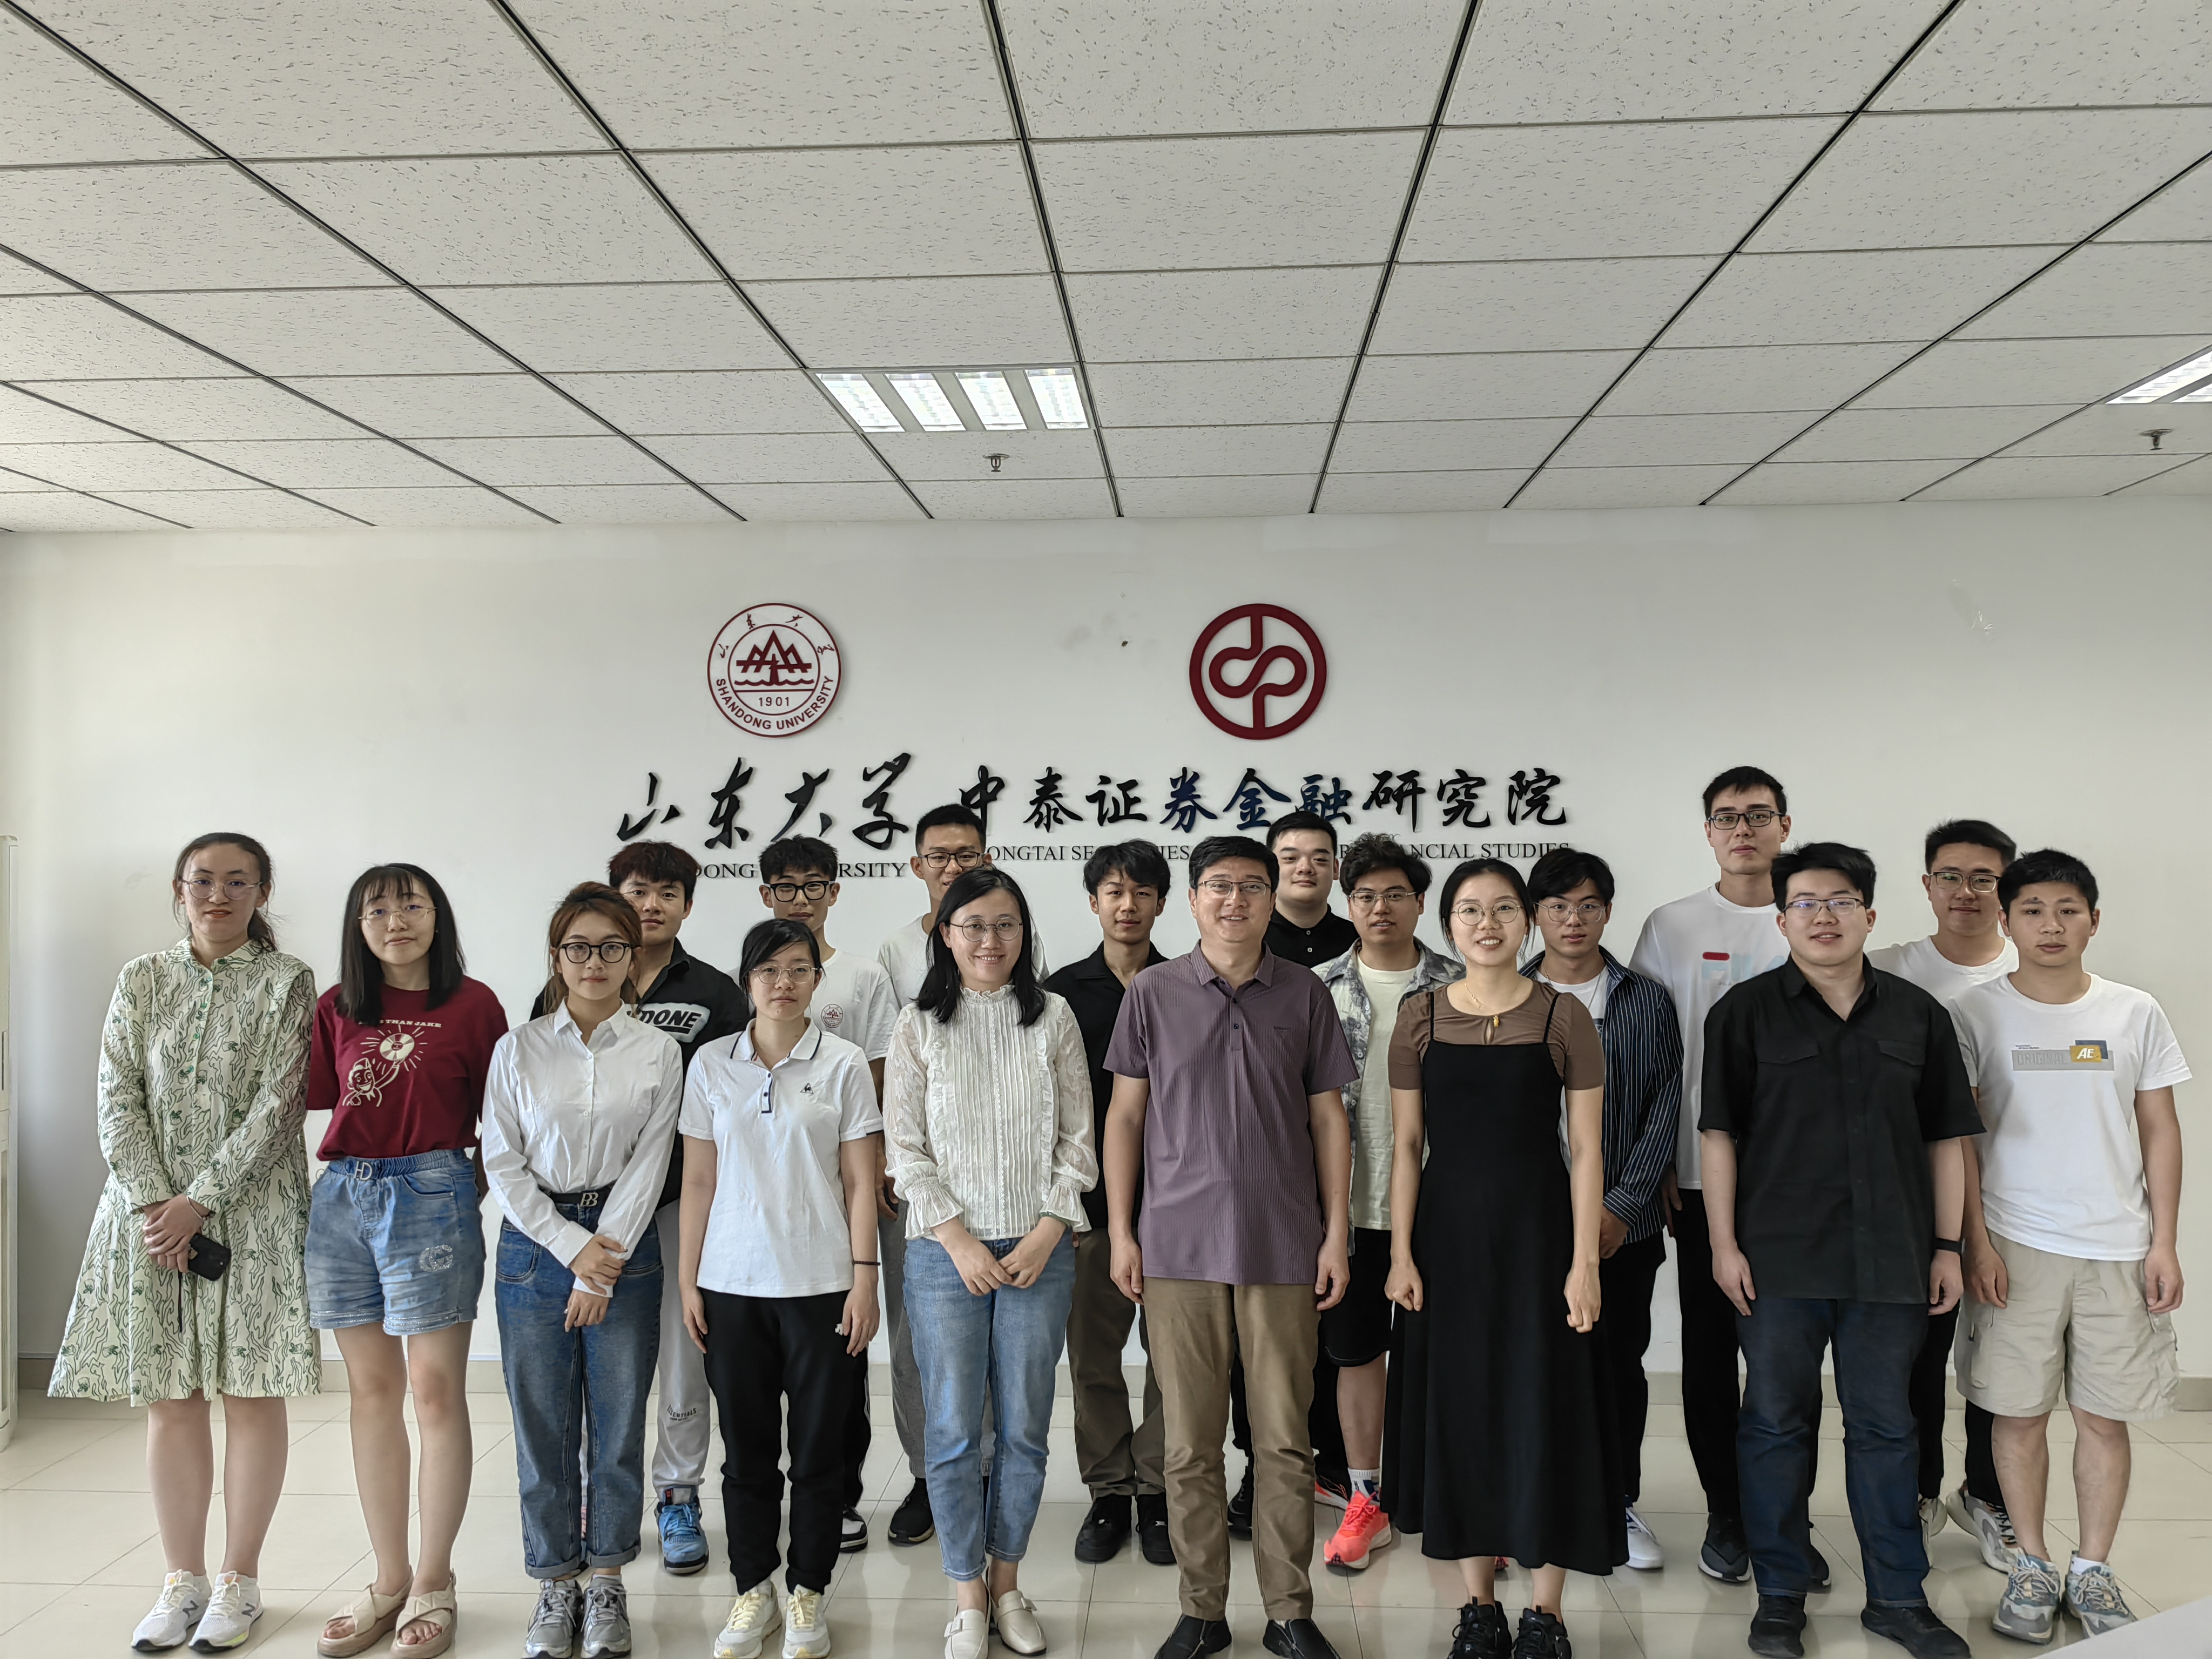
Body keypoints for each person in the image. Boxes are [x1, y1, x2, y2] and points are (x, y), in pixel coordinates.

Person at [1702, 844, 1981, 1659]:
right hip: (1778, 1260)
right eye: (1805, 903)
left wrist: (1948, 1246)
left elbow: (1947, 1139)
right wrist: (1723, 1245)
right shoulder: (1744, 1014)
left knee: (1887, 1427)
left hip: (1891, 1258)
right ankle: (1780, 1595)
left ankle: (1897, 1598)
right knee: (1775, 1424)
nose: (1823, 916)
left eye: (1840, 901)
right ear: (1781, 919)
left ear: (1869, 914)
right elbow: (1718, 1135)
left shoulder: (1919, 1015)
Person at [51, 833, 316, 1656]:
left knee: (252, 1392)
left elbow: (281, 1104)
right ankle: (181, 1580)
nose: (218, 895)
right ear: (179, 889)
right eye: (203, 880)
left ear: (263, 893)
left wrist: (199, 1202)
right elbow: (115, 1096)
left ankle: (240, 1580)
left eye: (238, 881)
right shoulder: (141, 978)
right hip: (149, 1219)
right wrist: (157, 1205)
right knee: (172, 1398)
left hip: (252, 1215)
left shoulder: (288, 981)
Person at [1104, 834, 1357, 1659]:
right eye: (1219, 885)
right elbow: (1126, 1118)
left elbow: (1329, 1119)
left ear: (1272, 897)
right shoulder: (1153, 992)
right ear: (1192, 899)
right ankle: (1202, 1610)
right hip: (1176, 1246)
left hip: (1283, 1243)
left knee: (1283, 1439)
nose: (1236, 900)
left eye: (1252, 886)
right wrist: (1122, 1231)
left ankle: (1289, 1610)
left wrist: (1336, 1235)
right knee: (1189, 1445)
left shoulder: (1305, 995)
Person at [1382, 858, 1621, 1659]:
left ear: (1527, 921)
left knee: (1544, 1407)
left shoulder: (1564, 1017)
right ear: (1448, 923)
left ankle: (1545, 1615)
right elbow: (1407, 1146)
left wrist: (1584, 1263)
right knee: (1463, 1411)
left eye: (1503, 910)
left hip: (1541, 1241)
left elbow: (1586, 1150)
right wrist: (1402, 1254)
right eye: (1470, 911)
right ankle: (1478, 1608)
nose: (1487, 924)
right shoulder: (1419, 1016)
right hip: (1447, 1245)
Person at [1951, 851, 2188, 1644]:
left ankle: (2092, 1569)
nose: (2050, 926)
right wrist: (1977, 1242)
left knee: (2104, 1418)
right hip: (2015, 1243)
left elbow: (2159, 1127)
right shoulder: (1975, 1013)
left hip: (2118, 1246)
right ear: (2007, 920)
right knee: (2017, 1416)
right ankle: (2032, 1564)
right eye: (2032, 911)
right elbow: (1963, 1140)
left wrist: (2164, 1240)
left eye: (2067, 910)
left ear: (2093, 920)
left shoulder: (2133, 1011)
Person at [885, 867, 1095, 1659]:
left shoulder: (1055, 1017)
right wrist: (958, 1239)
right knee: (950, 1431)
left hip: (1041, 1250)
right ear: (946, 935)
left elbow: (1079, 1139)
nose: (989, 940)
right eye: (972, 925)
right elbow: (905, 1150)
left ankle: (1007, 1583)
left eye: (1005, 925)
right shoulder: (917, 1026)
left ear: (1024, 934)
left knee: (1026, 1428)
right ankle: (966, 1594)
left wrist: (1048, 1229)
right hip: (945, 1255)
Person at [306, 864, 508, 1659]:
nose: (396, 920)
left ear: (437, 917)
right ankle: (388, 1579)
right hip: (342, 1198)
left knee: (434, 1389)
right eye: (378, 909)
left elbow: (502, 1115)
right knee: (370, 1392)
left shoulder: (474, 1004)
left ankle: (433, 1578)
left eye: (412, 905)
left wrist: (460, 1189)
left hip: (433, 1191)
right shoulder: (338, 1006)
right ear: (359, 927)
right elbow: (321, 1100)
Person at [531, 841, 744, 1579]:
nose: (652, 905)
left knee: (684, 1353)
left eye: (667, 893)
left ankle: (677, 1494)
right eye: (637, 891)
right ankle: (596, 1501)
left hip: (679, 1202)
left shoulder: (716, 992)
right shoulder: (561, 988)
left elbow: (729, 1101)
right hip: (579, 1216)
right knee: (593, 1360)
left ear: (687, 905)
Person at [482, 884, 683, 1659]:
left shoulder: (659, 1050)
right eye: (578, 948)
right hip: (536, 1247)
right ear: (556, 957)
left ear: (633, 958)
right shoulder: (518, 1048)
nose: (593, 962)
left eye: (610, 948)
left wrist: (602, 1264)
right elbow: (502, 1161)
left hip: (626, 1245)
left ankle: (605, 1580)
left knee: (618, 1422)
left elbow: (652, 1162)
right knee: (543, 1425)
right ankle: (554, 1581)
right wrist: (571, 1249)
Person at [679, 919, 884, 1659]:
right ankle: (753, 1589)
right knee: (746, 1452)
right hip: (732, 1285)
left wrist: (865, 1279)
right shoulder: (711, 1064)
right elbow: (698, 1181)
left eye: (799, 969)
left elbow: (860, 1182)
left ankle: (808, 1591)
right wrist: (689, 1280)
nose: (784, 983)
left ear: (817, 981)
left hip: (823, 1284)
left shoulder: (844, 1062)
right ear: (747, 981)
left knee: (822, 1450)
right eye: (769, 971)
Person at [1628, 765, 1796, 1584]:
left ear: (1785, 826)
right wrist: (1660, 1156)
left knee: (1786, 1360)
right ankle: (1726, 1513)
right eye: (1727, 818)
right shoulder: (1673, 925)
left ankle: (1783, 1517)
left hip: (1796, 1181)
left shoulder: (1811, 914)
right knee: (1710, 1352)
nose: (1743, 830)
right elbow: (1650, 1051)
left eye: (1758, 816)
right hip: (1698, 1179)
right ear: (1708, 832)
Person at [876, 804, 1047, 1549]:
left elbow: (1064, 1124)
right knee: (930, 1367)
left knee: (1017, 1394)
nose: (988, 940)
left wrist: (1052, 1219)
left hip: (1027, 1220)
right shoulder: (899, 974)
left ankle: (995, 1516)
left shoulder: (1042, 1001)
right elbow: (899, 1115)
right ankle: (934, 1488)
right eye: (939, 856)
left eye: (967, 853)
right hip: (932, 1213)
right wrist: (946, 1224)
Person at [1521, 847, 1682, 1575]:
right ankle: (1535, 1499)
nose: (1574, 920)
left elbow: (1665, 1104)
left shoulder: (1645, 999)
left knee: (1617, 1366)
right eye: (1558, 906)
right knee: (1534, 1365)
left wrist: (1623, 1204)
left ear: (1608, 912)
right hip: (1532, 1223)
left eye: (1588, 905)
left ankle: (1616, 1501)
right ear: (1537, 916)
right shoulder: (1507, 996)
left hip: (1626, 1226)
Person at [1867, 820, 2021, 1570]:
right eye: (1950, 876)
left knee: (2002, 1361)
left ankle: (1985, 1494)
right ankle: (1922, 1491)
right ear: (1927, 885)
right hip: (1916, 1200)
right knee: (1919, 1357)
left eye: (1984, 878)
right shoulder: (1885, 969)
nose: (1966, 892)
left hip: (2017, 1201)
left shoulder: (2034, 969)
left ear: (2007, 889)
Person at [1312, 833, 1461, 1574]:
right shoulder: (1315, 988)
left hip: (1443, 1204)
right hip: (1346, 1210)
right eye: (1366, 896)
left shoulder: (1460, 984)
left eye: (1396, 894)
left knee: (1451, 1354)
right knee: (1357, 1351)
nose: (1380, 908)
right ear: (1348, 904)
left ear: (1420, 903)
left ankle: (1460, 1499)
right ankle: (1366, 1497)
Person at [758, 835, 902, 1556]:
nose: (800, 900)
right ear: (766, 896)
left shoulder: (864, 975)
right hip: (768, 1192)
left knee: (842, 1347)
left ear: (835, 892)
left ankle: (841, 1493)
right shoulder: (751, 974)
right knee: (766, 1360)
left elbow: (880, 1069)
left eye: (814, 886)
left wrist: (871, 1162)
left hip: (843, 1179)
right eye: (786, 888)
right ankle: (768, 1495)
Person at [1044, 840, 1177, 1567]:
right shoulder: (1060, 994)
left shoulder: (1188, 984)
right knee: (1093, 1360)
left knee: (1172, 1364)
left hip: (1179, 1208)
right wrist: (1057, 1208)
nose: (1128, 906)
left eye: (1142, 893)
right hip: (1088, 1210)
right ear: (1094, 902)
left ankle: (1156, 1490)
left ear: (1162, 903)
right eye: (1115, 893)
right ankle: (1108, 1491)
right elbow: (1043, 1110)